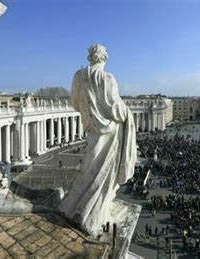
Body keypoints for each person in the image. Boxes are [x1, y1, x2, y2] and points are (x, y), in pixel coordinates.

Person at [58, 44, 137, 235]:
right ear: (104, 58)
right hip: (110, 132)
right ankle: (93, 213)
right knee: (103, 173)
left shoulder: (78, 76)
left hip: (92, 127)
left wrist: (90, 112)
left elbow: (75, 102)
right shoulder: (107, 78)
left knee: (89, 167)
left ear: (90, 57)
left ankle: (72, 207)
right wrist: (128, 113)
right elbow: (114, 108)